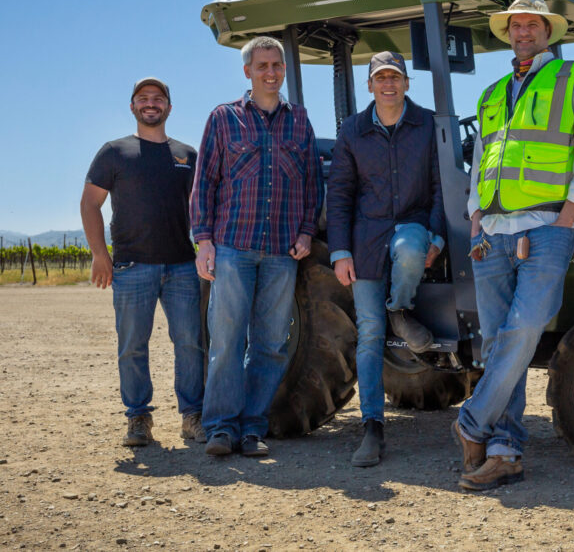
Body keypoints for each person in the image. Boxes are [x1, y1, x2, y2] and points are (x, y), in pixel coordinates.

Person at [453, 0, 574, 491]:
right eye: (515, 25)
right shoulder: (493, 93)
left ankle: (472, 421)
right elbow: (480, 160)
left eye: (532, 25)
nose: (523, 32)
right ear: (509, 32)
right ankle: (504, 452)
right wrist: (475, 215)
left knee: (522, 333)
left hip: (546, 228)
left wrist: (567, 218)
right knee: (501, 344)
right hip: (491, 235)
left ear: (549, 31)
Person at [191, 36, 323, 458]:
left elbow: (309, 186)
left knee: (270, 343)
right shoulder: (224, 119)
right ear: (247, 71)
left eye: (277, 66)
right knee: (228, 341)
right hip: (233, 247)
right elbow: (204, 184)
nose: (270, 73)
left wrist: (305, 233)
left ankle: (251, 428)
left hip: (283, 252)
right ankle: (220, 428)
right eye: (262, 65)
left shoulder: (299, 121)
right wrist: (203, 240)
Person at [326, 51, 445, 467]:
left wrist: (436, 235)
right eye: (380, 78)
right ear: (371, 86)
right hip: (365, 237)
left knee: (411, 249)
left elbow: (439, 185)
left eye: (395, 77)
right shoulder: (352, 131)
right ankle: (372, 427)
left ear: (407, 83)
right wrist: (340, 251)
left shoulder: (427, 123)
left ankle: (399, 308)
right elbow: (339, 194)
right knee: (369, 332)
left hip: (411, 226)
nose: (388, 84)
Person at [81, 77, 205, 447]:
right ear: (133, 107)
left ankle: (192, 416)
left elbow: (202, 209)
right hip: (132, 267)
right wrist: (100, 254)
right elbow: (90, 204)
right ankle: (138, 419)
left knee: (190, 343)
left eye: (158, 98)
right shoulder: (114, 152)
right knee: (133, 345)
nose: (151, 103)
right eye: (143, 98)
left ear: (169, 107)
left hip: (183, 265)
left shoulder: (187, 155)